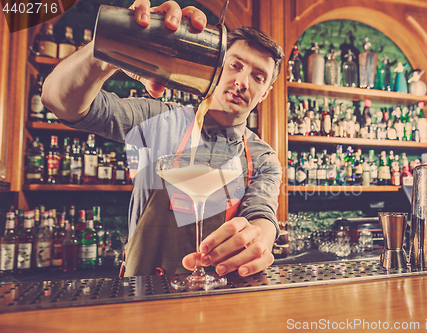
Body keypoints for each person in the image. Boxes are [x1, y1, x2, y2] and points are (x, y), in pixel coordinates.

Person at [41, 0, 284, 278]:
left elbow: (261, 212)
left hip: (221, 299)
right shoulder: (159, 121)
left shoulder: (262, 157)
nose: (243, 82)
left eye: (258, 76)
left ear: (265, 92)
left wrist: (262, 236)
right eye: (235, 65)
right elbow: (58, 101)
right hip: (143, 293)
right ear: (216, 65)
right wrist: (110, 49)